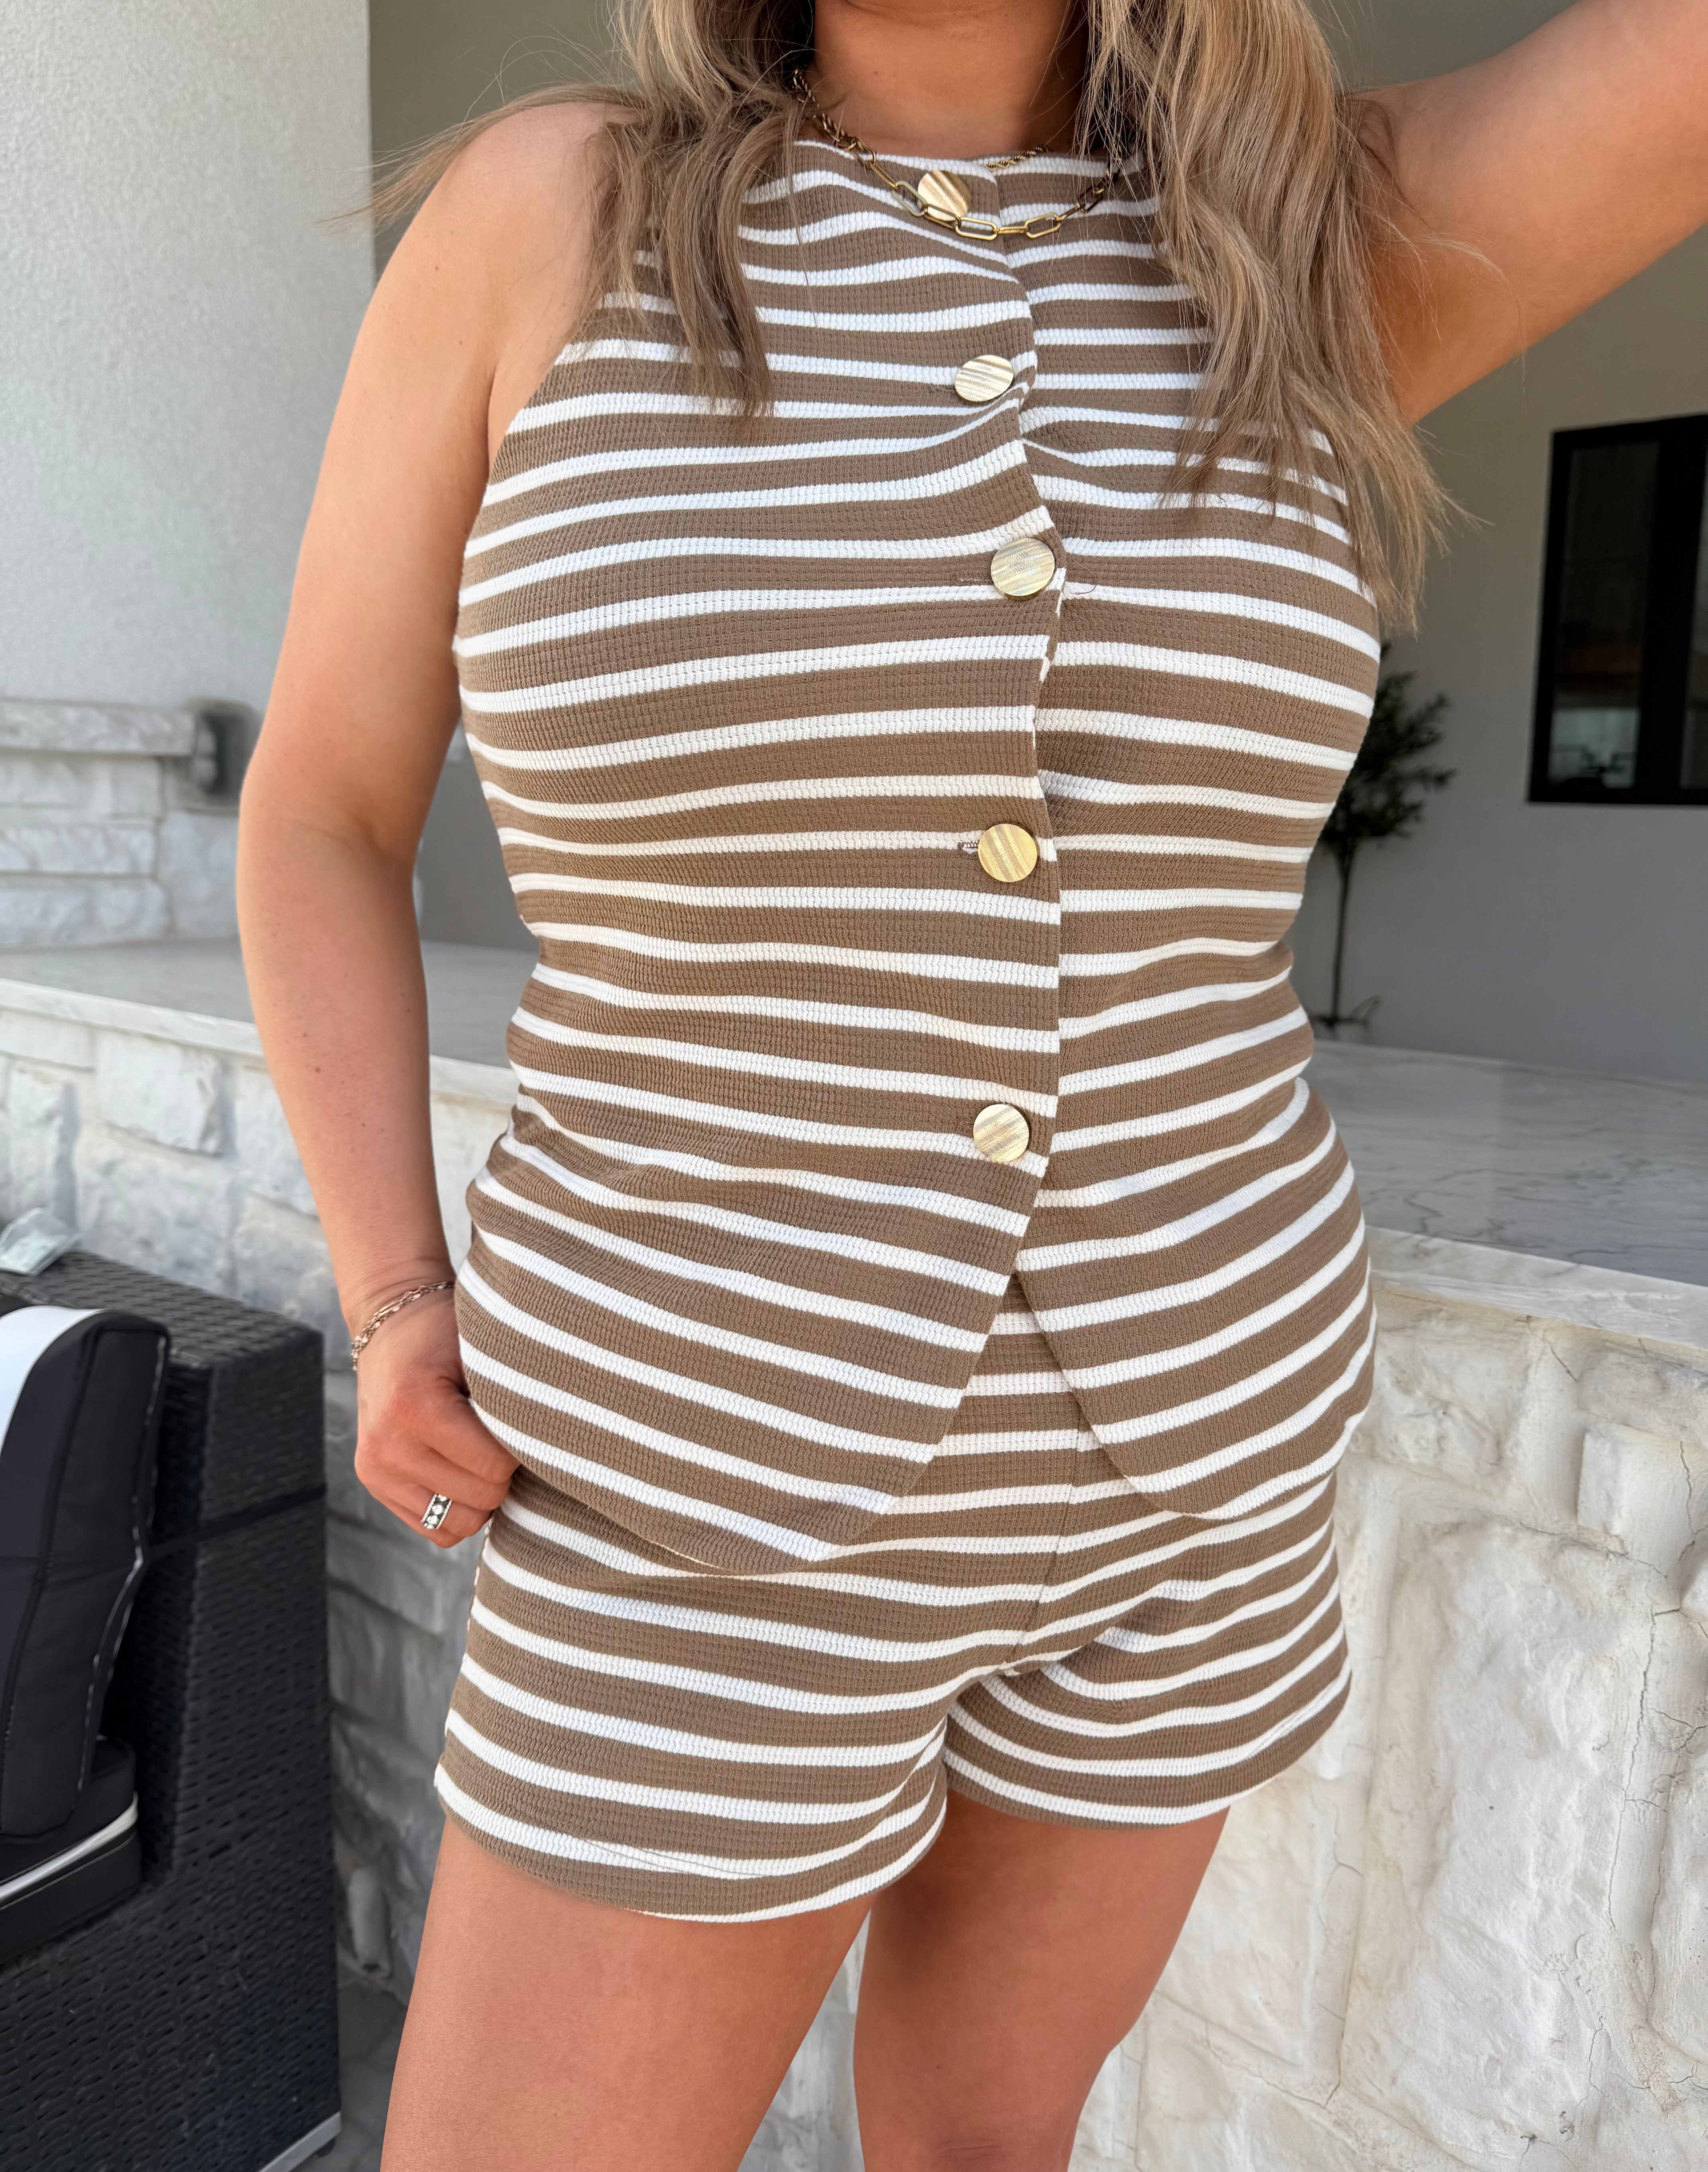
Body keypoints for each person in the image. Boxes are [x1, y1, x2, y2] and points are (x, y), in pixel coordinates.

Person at [235, 2, 1708, 2164]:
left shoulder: (1301, 238)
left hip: (1192, 1464)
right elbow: (322, 811)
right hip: (688, 1470)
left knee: (986, 2149)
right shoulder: (554, 215)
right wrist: (392, 1288)